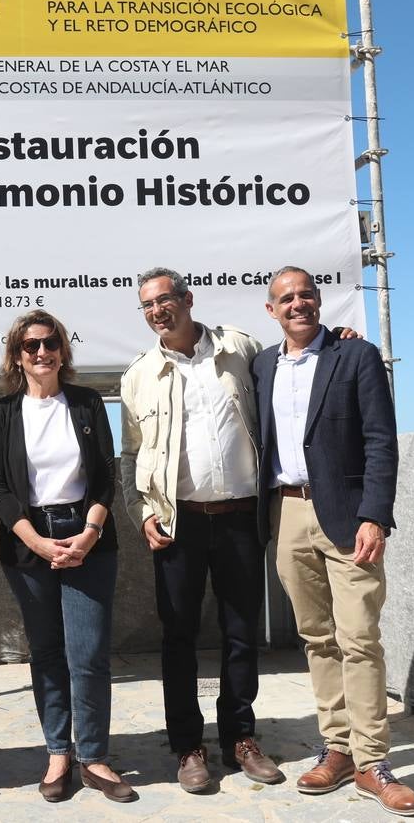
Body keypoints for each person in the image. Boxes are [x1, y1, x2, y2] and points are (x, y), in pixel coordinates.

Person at [253, 266, 414, 816]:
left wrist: (375, 515)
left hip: (350, 519)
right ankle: (338, 748)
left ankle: (374, 761)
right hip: (287, 514)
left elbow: (380, 440)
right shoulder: (261, 366)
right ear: (271, 310)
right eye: (286, 298)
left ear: (319, 301)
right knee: (318, 640)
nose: (297, 304)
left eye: (306, 295)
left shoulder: (356, 356)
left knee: (359, 639)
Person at [118, 267, 285, 792]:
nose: (157, 312)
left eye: (164, 300)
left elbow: (291, 367)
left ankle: (240, 737)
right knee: (178, 637)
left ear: (188, 299)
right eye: (147, 306)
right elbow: (130, 456)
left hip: (239, 517)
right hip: (177, 522)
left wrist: (342, 340)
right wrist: (142, 513)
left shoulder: (240, 348)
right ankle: (188, 745)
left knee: (240, 633)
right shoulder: (138, 373)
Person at [0, 311, 135, 803]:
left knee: (87, 655)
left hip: (87, 535)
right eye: (31, 346)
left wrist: (89, 533)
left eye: (50, 344)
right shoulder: (3, 413)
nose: (42, 353)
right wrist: (35, 541)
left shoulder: (87, 403)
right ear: (17, 356)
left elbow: (106, 477)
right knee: (47, 654)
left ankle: (93, 756)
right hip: (30, 542)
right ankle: (57, 754)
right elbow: (0, 489)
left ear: (63, 351)